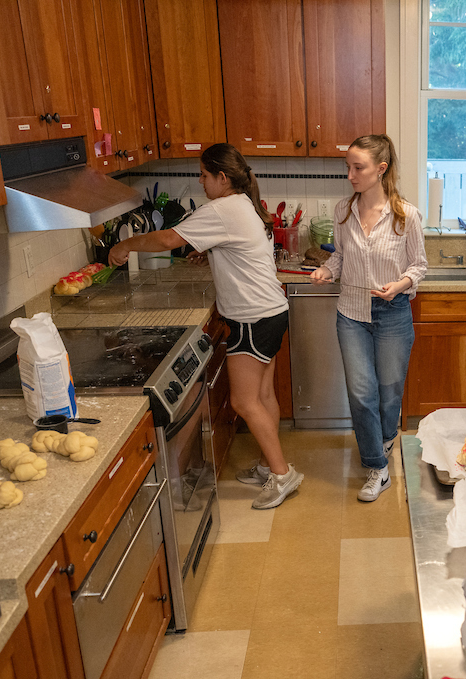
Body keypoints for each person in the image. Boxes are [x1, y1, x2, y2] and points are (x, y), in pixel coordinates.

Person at [109, 143, 302, 510]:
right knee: (262, 397)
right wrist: (211, 250)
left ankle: (282, 474)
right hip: (270, 312)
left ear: (221, 178)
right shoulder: (244, 203)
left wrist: (127, 246)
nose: (200, 182)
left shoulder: (223, 207)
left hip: (250, 317)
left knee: (244, 401)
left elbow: (168, 238)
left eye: (203, 175)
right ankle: (268, 465)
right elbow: (233, 246)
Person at [310, 134, 427, 502]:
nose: (350, 174)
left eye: (357, 167)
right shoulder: (343, 211)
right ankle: (377, 466)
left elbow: (419, 266)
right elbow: (341, 258)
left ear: (381, 169)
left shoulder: (406, 215)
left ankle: (385, 437)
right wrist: (328, 270)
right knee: (362, 393)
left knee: (389, 392)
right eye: (348, 166)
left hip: (393, 313)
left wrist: (400, 285)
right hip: (352, 315)